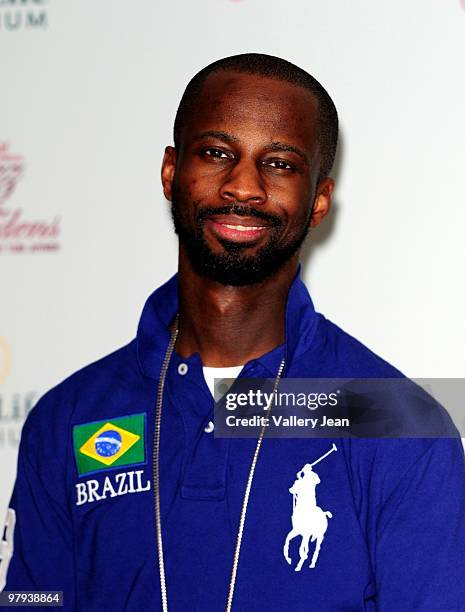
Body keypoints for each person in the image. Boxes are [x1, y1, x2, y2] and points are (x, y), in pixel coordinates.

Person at [1, 53, 464, 611]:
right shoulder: (67, 416)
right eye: (217, 154)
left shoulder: (396, 423)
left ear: (319, 201)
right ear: (172, 173)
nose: (242, 186)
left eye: (281, 164)